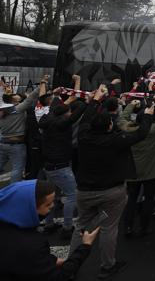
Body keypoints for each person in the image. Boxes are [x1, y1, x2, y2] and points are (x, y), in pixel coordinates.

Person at [69, 88, 154, 279]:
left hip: (84, 191)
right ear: (109, 126)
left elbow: (85, 119)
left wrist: (95, 101)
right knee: (108, 228)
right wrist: (148, 115)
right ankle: (107, 265)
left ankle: (71, 265)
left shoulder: (83, 136)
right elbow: (141, 134)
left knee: (81, 226)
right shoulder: (116, 140)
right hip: (111, 193)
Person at [0, 179, 100, 280]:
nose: (52, 206)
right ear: (30, 208)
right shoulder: (32, 244)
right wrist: (85, 246)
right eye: (47, 204)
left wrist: (48, 261)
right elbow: (58, 276)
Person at [121, 95, 155, 237]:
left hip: (133, 171)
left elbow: (122, 118)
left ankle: (128, 227)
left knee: (131, 199)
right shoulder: (153, 129)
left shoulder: (127, 128)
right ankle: (144, 227)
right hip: (152, 171)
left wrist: (131, 104)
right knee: (149, 199)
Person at [38, 95, 88, 238]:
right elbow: (75, 115)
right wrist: (90, 100)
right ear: (65, 114)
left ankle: (49, 224)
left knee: (52, 196)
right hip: (61, 165)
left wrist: (66, 101)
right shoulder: (62, 124)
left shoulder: (46, 121)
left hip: (48, 165)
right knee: (72, 195)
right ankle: (67, 227)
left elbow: (53, 110)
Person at [0, 76, 43, 183]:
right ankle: (13, 190)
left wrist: (4, 89)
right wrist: (42, 84)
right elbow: (31, 98)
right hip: (17, 144)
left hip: (3, 142)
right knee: (17, 168)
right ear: (13, 101)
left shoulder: (2, 111)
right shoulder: (18, 109)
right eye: (15, 96)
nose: (16, 95)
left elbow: (4, 98)